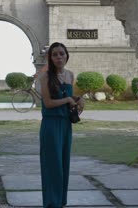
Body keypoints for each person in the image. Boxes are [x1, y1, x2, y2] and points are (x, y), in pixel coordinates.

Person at [39, 42, 84, 208]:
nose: (59, 57)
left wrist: (79, 100)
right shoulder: (45, 77)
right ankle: (51, 203)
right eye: (55, 54)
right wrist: (67, 100)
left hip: (66, 125)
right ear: (50, 58)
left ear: (67, 56)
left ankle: (60, 201)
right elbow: (48, 103)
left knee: (64, 163)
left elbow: (70, 97)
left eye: (61, 54)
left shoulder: (70, 75)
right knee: (52, 165)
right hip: (51, 125)